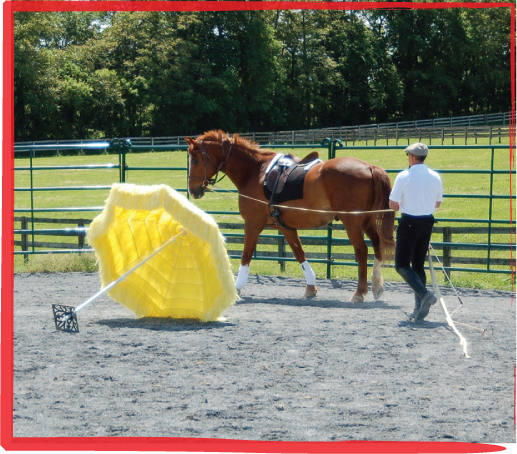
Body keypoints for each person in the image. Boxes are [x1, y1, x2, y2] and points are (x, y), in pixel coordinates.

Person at [389, 142, 443, 321]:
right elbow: (437, 203)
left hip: (409, 222)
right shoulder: (435, 176)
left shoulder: (404, 176)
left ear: (412, 157)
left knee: (401, 265)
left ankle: (424, 294)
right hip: (427, 222)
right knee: (418, 265)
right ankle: (418, 308)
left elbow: (392, 205)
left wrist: (404, 202)